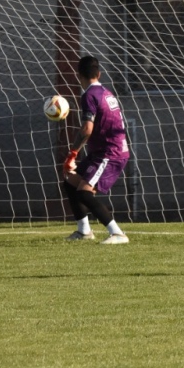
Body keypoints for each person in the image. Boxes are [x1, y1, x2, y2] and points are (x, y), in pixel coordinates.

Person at [60, 55, 131, 244]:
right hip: (103, 152)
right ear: (98, 74)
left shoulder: (89, 95)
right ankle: (84, 231)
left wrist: (72, 153)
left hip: (110, 153)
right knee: (70, 182)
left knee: (84, 192)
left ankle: (117, 233)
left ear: (79, 76)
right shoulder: (106, 92)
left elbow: (86, 129)